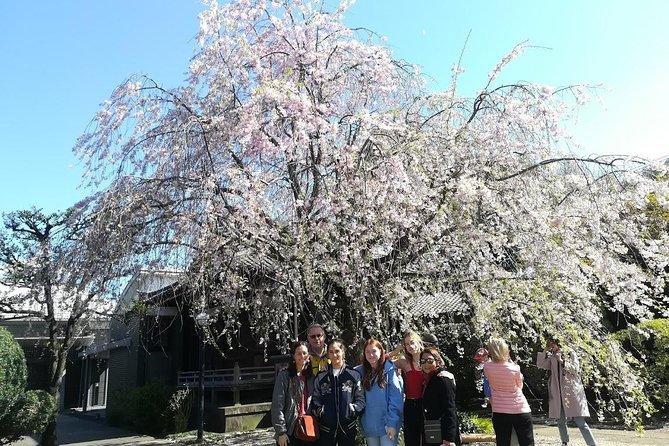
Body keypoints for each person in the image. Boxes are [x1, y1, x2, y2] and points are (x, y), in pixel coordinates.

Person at [536, 337, 596, 446]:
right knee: (560, 421)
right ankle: (564, 442)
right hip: (557, 393)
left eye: (554, 343)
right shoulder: (552, 357)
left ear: (559, 343)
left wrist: (562, 362)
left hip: (571, 392)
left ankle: (591, 444)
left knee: (580, 421)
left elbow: (575, 369)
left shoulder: (569, 352)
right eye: (550, 344)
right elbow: (540, 364)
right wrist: (544, 349)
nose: (552, 345)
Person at [312, 338, 365, 446]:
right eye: (331, 352)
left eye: (337, 351)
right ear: (328, 355)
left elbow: (360, 399)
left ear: (343, 352)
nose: (334, 355)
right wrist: (320, 411)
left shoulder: (353, 375)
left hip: (347, 427)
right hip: (326, 428)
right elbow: (315, 398)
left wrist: (353, 409)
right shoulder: (321, 377)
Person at [483, 337, 534, 446]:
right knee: (527, 442)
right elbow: (519, 386)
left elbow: (489, 378)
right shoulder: (515, 368)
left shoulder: (487, 367)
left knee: (502, 442)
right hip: (519, 409)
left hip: (499, 410)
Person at [355, 339, 404, 446]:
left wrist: (392, 423)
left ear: (381, 351)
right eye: (367, 352)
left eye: (374, 351)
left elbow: (396, 399)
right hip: (370, 425)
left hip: (387, 424)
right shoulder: (359, 372)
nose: (370, 355)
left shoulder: (390, 370)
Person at [271, 341, 315, 446]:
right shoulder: (284, 376)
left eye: (304, 353)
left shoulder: (311, 378)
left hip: (307, 426)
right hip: (290, 427)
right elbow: (277, 406)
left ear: (308, 355)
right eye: (298, 354)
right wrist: (281, 432)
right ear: (293, 357)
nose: (302, 356)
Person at [389, 330, 426, 446]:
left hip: (426, 404)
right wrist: (396, 350)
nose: (410, 346)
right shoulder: (404, 363)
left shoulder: (429, 359)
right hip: (410, 404)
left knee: (429, 439)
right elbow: (381, 361)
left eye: (412, 342)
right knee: (411, 440)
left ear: (419, 342)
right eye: (406, 344)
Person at [420, 346, 461, 446]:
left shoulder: (443, 379)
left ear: (437, 361)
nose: (426, 364)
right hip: (432, 427)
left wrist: (449, 438)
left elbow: (450, 409)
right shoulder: (429, 379)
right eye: (423, 361)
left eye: (430, 361)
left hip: (443, 431)